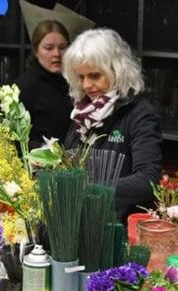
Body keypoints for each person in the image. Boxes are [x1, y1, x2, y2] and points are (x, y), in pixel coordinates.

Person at [61, 28, 162, 221]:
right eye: (81, 77)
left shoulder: (139, 114)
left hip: (118, 229)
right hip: (80, 223)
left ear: (117, 70)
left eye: (95, 75)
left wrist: (90, 190)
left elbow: (148, 180)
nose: (86, 85)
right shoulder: (82, 113)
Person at [15, 20, 73, 148]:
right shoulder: (25, 87)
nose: (57, 54)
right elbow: (14, 138)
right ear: (36, 51)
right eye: (49, 48)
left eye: (62, 47)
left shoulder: (75, 82)